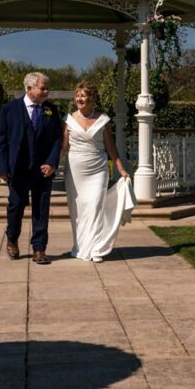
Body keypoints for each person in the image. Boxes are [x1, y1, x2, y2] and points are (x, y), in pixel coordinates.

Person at [61, 81, 133, 263]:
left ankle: (96, 249)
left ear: (92, 98)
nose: (79, 99)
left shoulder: (103, 121)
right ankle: (80, 246)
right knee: (78, 210)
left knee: (95, 206)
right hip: (75, 171)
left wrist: (121, 168)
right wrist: (50, 163)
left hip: (98, 170)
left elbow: (111, 147)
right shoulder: (68, 120)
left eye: (83, 95)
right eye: (77, 95)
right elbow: (63, 147)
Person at [0, 72, 63, 265]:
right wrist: (2, 167)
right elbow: (1, 141)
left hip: (43, 170)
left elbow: (57, 139)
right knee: (16, 207)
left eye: (47, 88)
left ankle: (39, 249)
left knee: (41, 209)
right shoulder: (9, 109)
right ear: (29, 88)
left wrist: (52, 162)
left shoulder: (51, 110)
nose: (46, 91)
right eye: (43, 88)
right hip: (18, 168)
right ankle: (12, 238)